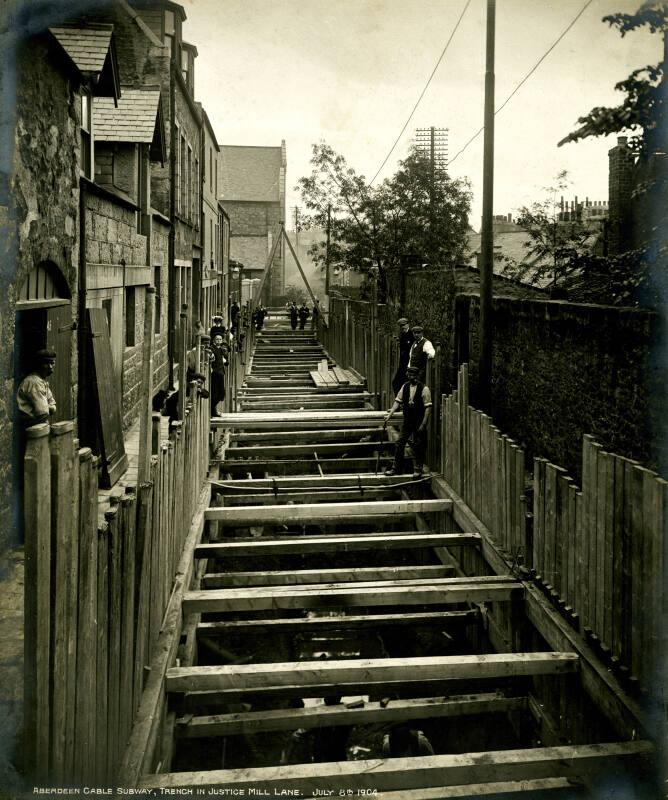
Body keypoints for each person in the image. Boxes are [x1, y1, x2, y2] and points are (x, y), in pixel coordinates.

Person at [384, 366, 432, 478]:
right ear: (408, 375)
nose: (412, 378)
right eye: (410, 375)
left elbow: (428, 408)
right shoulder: (405, 387)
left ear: (417, 376)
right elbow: (397, 401)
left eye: (414, 376)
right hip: (408, 421)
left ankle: (418, 469)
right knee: (400, 443)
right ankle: (395, 468)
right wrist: (390, 415)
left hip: (419, 421)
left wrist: (424, 424)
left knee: (419, 445)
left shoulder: (424, 389)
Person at [16, 348, 57, 429]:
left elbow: (53, 405)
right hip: (31, 428)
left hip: (38, 427)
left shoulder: (41, 381)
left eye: (52, 363)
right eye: (46, 363)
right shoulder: (34, 382)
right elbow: (42, 413)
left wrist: (48, 407)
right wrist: (48, 407)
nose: (50, 366)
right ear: (39, 364)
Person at [392, 317, 415, 395]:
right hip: (402, 363)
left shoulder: (411, 335)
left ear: (408, 324)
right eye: (401, 326)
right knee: (396, 383)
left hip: (408, 364)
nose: (403, 327)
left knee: (399, 383)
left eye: (404, 325)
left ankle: (401, 402)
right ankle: (399, 401)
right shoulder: (402, 335)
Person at [209, 333, 228, 415]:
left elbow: (225, 360)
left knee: (222, 394)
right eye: (217, 339)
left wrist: (226, 358)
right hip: (215, 373)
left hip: (221, 372)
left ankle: (212, 409)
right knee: (215, 393)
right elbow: (211, 356)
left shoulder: (221, 349)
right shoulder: (212, 348)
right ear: (214, 340)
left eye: (220, 339)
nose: (219, 341)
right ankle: (212, 410)